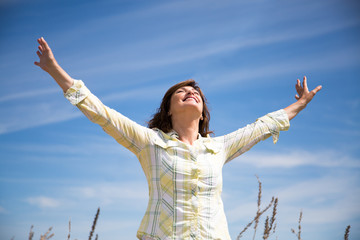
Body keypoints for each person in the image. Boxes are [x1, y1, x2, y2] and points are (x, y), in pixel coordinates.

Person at [34, 37, 322, 240]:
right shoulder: (149, 142)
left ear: (203, 112)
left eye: (196, 92)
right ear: (168, 109)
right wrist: (55, 70)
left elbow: (262, 127)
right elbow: (102, 114)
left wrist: (300, 103)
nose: (191, 92)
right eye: (180, 92)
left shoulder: (218, 147)